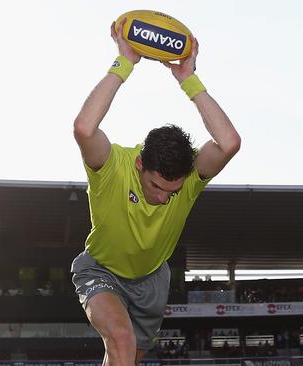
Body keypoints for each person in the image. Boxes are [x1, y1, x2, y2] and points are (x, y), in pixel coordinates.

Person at [70, 18, 241, 366]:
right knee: (120, 339)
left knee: (126, 357)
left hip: (152, 283)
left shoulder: (190, 176)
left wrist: (188, 79)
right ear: (140, 166)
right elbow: (84, 128)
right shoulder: (114, 165)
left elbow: (229, 142)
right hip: (101, 271)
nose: (164, 197)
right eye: (156, 187)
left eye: (172, 192)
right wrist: (125, 62)